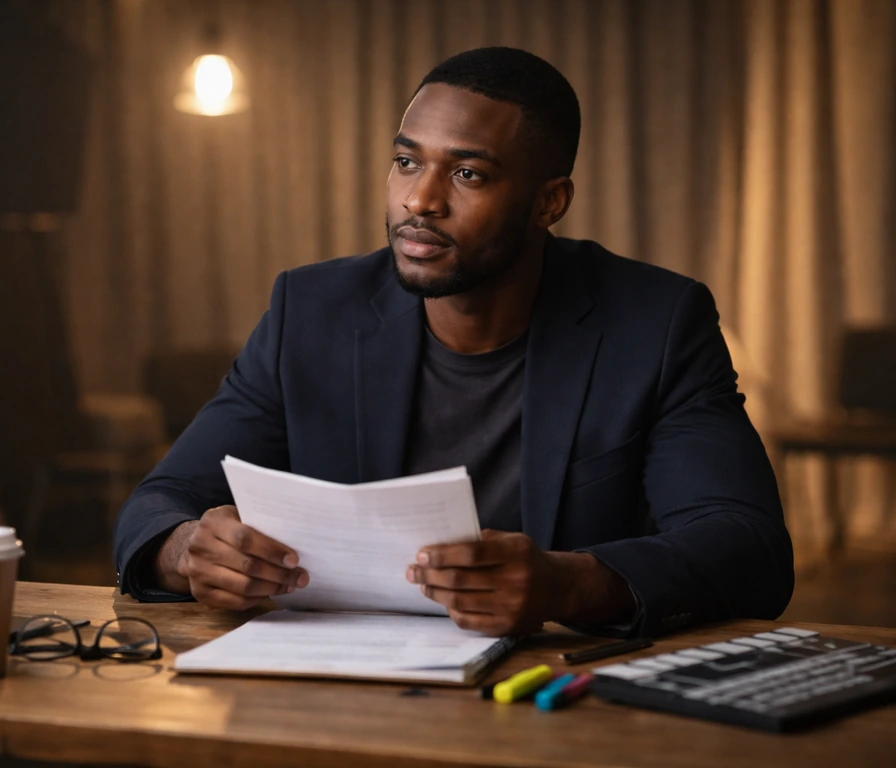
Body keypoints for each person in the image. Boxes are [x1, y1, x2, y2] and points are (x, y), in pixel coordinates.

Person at [113, 47, 793, 638]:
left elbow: (749, 547)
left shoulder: (656, 324)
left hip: (553, 690)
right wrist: (187, 551)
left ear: (550, 202)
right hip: (340, 686)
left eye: (468, 174)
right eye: (406, 162)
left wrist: (569, 584)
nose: (420, 200)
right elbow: (160, 501)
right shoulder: (312, 312)